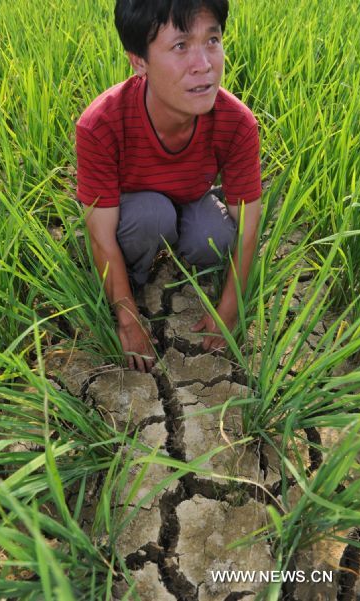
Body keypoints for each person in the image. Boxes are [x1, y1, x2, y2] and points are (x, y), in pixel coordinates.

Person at [76, 0, 262, 373]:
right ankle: (137, 278)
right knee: (150, 217)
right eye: (180, 46)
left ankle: (183, 253)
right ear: (138, 61)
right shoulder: (101, 124)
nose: (204, 64)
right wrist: (128, 320)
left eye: (212, 40)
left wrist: (229, 312)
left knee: (215, 235)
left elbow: (249, 229)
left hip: (193, 197)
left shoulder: (238, 123)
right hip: (136, 210)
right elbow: (99, 235)